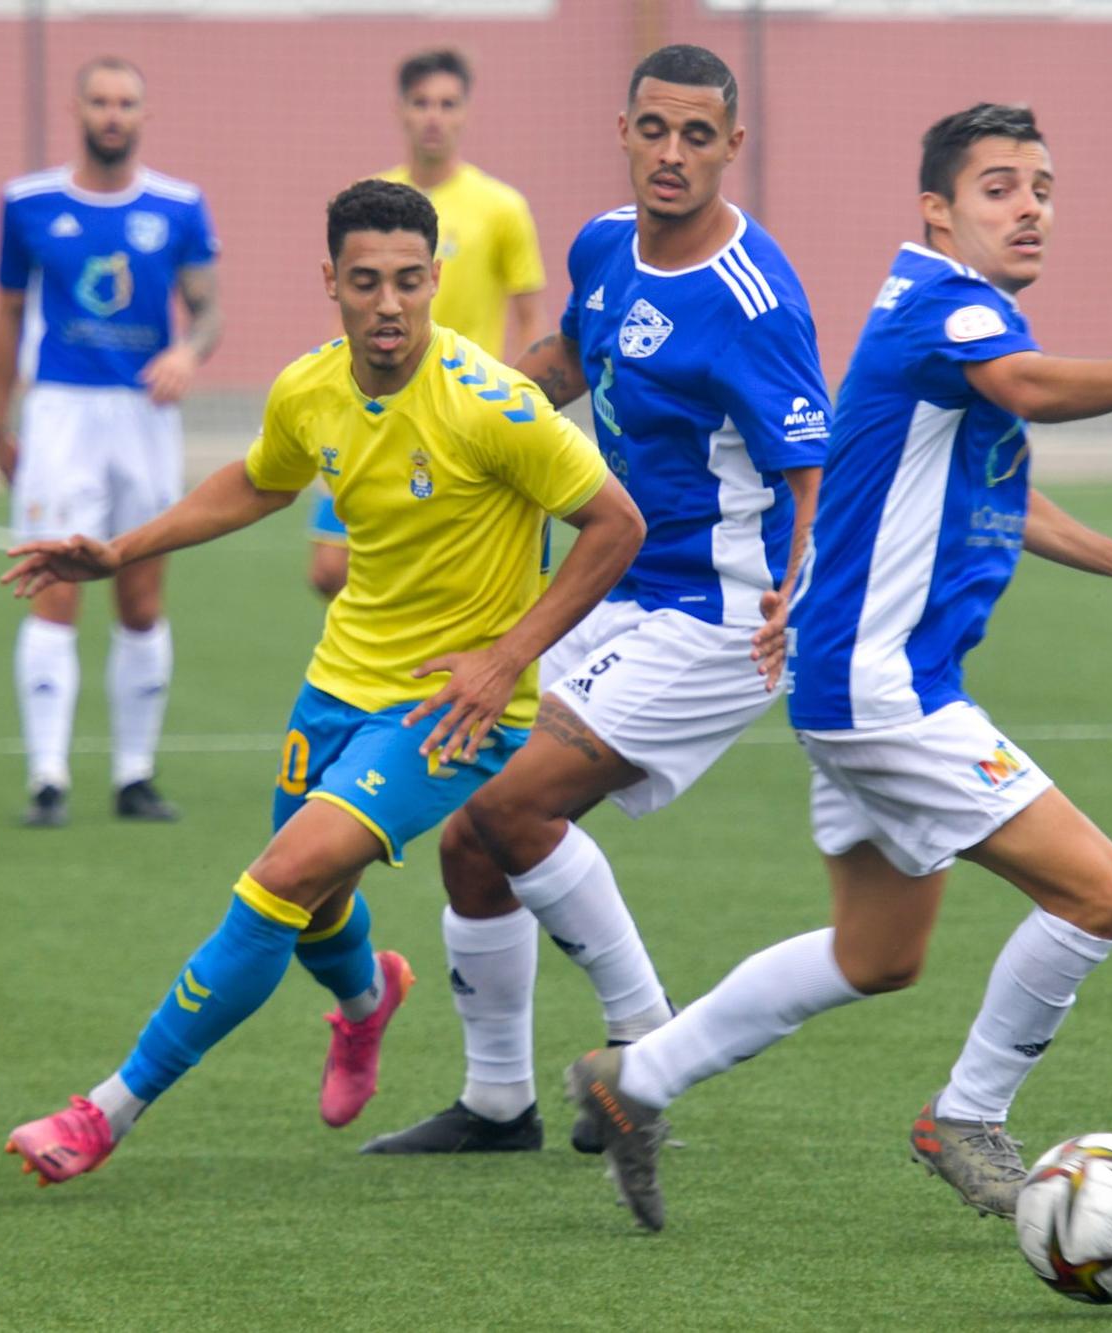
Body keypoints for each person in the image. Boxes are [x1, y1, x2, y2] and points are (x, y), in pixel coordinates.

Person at [565, 102, 1112, 1232]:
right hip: (881, 688)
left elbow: (995, 487)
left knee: (876, 952)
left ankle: (633, 1079)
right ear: (935, 211)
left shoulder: (950, 321)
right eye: (997, 187)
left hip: (856, 680)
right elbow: (1031, 392)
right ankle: (967, 1117)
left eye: (1041, 186)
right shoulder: (946, 307)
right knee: (1097, 893)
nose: (1028, 206)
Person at [0, 179, 644, 1187]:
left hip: (448, 708)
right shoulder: (310, 387)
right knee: (316, 900)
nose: (388, 304)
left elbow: (617, 525)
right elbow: (263, 477)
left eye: (408, 281)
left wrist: (507, 657)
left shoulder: (494, 406)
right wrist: (120, 550)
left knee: (280, 880)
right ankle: (365, 1002)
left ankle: (104, 1111)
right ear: (331, 283)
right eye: (365, 282)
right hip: (338, 681)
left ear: (436, 279)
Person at [361, 44, 830, 1158]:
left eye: (697, 136)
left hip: (717, 615)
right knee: (467, 832)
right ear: (622, 127)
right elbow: (570, 360)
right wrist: (459, 411)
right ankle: (494, 1105)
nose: (672, 155)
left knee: (514, 804)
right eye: (654, 130)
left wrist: (795, 596)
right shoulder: (600, 245)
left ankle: (643, 1051)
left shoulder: (754, 299)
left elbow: (817, 471)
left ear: (732, 147)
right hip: (616, 584)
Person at [0, 56, 222, 827]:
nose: (113, 114)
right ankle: (48, 777)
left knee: (142, 592)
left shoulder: (179, 206)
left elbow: (209, 309)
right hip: (61, 413)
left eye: (126, 101)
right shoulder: (28, 204)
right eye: (101, 101)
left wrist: (189, 352)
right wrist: (0, 416)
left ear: (143, 113)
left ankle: (134, 775)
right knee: (55, 586)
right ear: (77, 108)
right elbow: (4, 313)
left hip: (143, 418)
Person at [307, 47, 551, 600]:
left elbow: (530, 316)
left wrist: (511, 408)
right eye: (422, 103)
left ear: (465, 112)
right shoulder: (370, 201)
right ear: (401, 110)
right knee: (329, 570)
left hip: (457, 415)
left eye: (447, 103)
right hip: (375, 411)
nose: (434, 116)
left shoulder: (500, 206)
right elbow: (345, 308)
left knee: (442, 572)